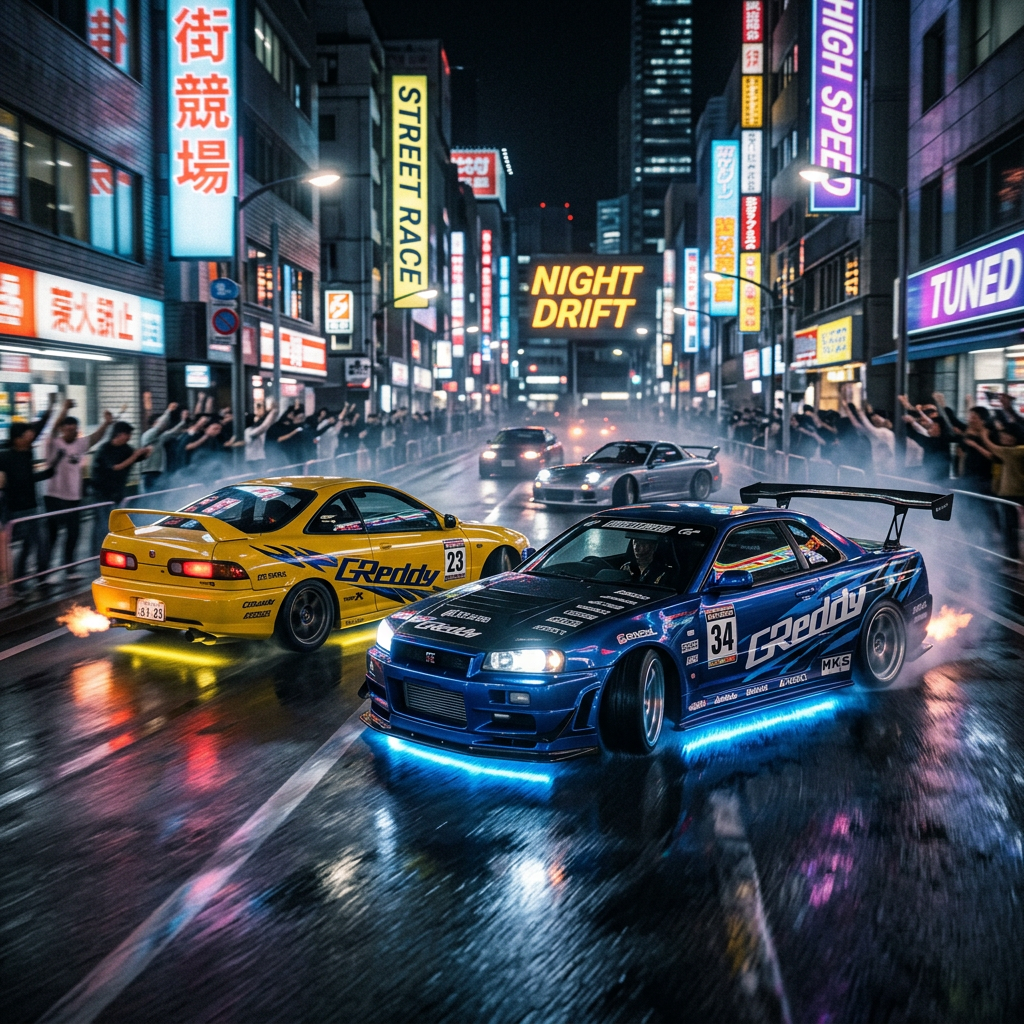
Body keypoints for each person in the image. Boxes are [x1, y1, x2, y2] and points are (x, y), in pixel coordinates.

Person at [44, 401, 114, 578]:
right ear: (62, 429)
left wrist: (106, 423)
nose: (72, 432)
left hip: (73, 496)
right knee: (51, 535)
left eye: (75, 429)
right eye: (68, 429)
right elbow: (52, 428)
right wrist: (64, 409)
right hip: (53, 495)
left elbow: (95, 437)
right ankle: (43, 574)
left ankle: (70, 569)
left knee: (73, 532)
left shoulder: (79, 444)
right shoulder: (54, 443)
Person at [0, 394, 59, 589]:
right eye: (27, 434)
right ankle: (18, 581)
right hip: (16, 508)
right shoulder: (5, 457)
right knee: (26, 544)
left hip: (32, 505)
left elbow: (40, 426)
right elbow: (13, 482)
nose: (31, 436)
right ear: (17, 439)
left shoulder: (26, 452)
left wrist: (50, 407)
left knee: (39, 542)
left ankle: (41, 576)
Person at [90, 422, 152, 552]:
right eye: (128, 434)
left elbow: (137, 458)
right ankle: (98, 551)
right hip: (101, 492)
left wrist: (146, 453)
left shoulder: (125, 448)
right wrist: (135, 455)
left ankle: (113, 548)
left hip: (117, 492)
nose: (129, 437)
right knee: (102, 524)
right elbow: (116, 467)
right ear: (119, 434)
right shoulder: (105, 449)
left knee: (116, 523)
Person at [137, 402, 185, 492]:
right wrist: (168, 411)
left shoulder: (159, 437)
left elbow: (173, 432)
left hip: (158, 472)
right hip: (148, 473)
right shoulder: (148, 435)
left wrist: (183, 421)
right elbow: (160, 425)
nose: (165, 424)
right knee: (149, 497)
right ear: (154, 423)